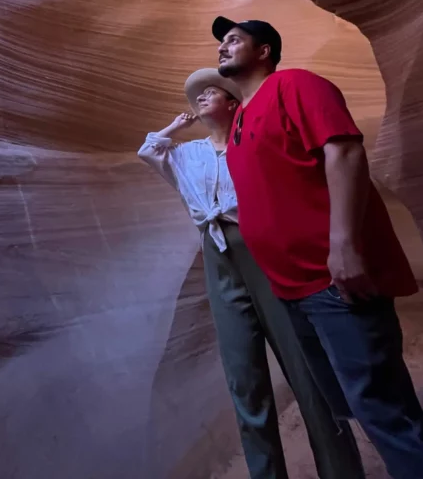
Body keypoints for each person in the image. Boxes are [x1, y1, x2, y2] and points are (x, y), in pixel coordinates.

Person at [214, 16, 423, 479]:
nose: (222, 48)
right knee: (359, 400)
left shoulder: (295, 86)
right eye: (221, 43)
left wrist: (343, 247)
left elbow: (344, 150)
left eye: (233, 40)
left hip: (331, 279)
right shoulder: (241, 119)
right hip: (292, 289)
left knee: (378, 401)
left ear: (264, 50)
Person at [138, 68, 365, 479]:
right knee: (244, 377)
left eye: (212, 93)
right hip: (219, 256)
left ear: (232, 103)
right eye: (199, 96)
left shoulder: (251, 147)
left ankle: (342, 471)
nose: (202, 99)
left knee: (305, 368)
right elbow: (149, 151)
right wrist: (175, 125)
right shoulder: (190, 154)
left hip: (264, 248)